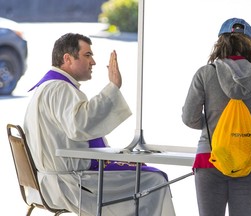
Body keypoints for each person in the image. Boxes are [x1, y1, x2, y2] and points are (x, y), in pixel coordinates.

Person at [24, 33, 175, 216]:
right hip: (69, 183)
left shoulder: (46, 87)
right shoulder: (60, 89)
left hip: (50, 181)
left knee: (144, 174)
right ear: (67, 59)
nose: (93, 62)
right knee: (155, 179)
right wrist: (113, 87)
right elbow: (81, 125)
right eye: (87, 55)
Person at [182, 18, 251, 216]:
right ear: (250, 44)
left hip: (210, 158)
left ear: (220, 42)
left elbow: (189, 118)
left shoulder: (205, 73)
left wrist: (215, 126)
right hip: (247, 161)